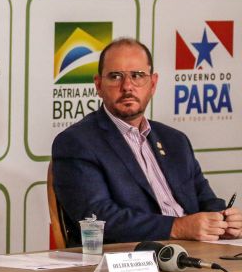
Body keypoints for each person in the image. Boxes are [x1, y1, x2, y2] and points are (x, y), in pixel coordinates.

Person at [52, 38, 241, 244]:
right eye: (115, 76)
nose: (127, 86)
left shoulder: (175, 140)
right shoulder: (77, 142)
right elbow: (97, 219)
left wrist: (224, 219)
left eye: (138, 76)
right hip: (132, 262)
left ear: (153, 84)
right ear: (98, 85)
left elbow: (204, 198)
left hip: (195, 253)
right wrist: (178, 227)